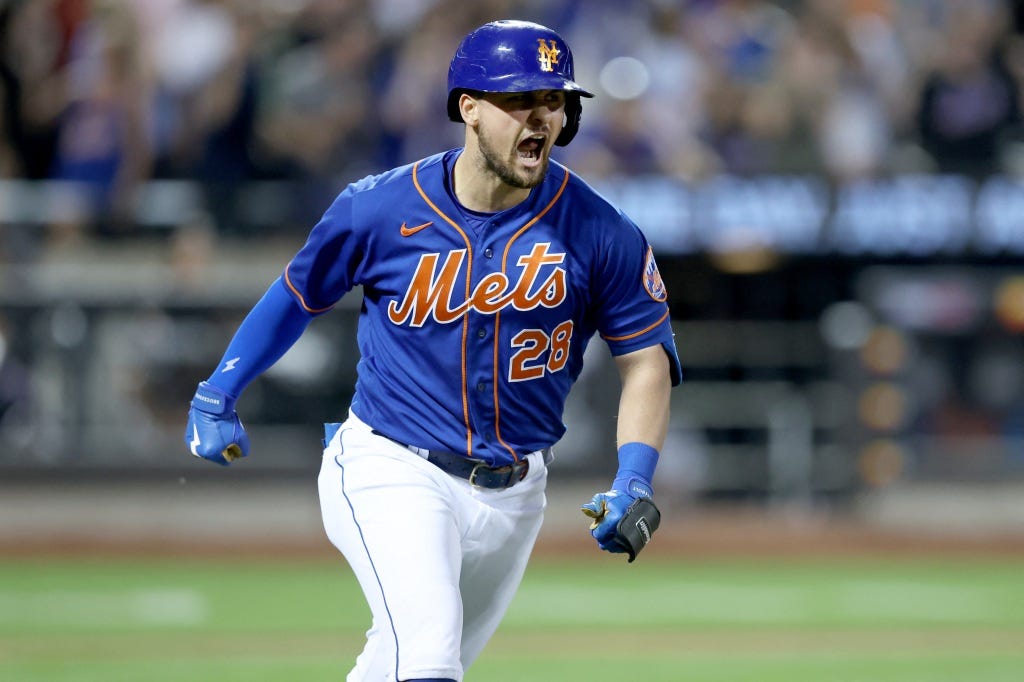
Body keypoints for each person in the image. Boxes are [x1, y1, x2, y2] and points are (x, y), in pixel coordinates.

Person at [184, 19, 680, 682]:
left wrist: (635, 477)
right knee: (429, 654)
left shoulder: (601, 230)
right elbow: (295, 296)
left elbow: (646, 357)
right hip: (392, 463)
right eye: (518, 101)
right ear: (467, 108)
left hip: (517, 490)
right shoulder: (379, 207)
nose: (540, 118)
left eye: (554, 101)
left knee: (395, 665)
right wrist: (218, 390)